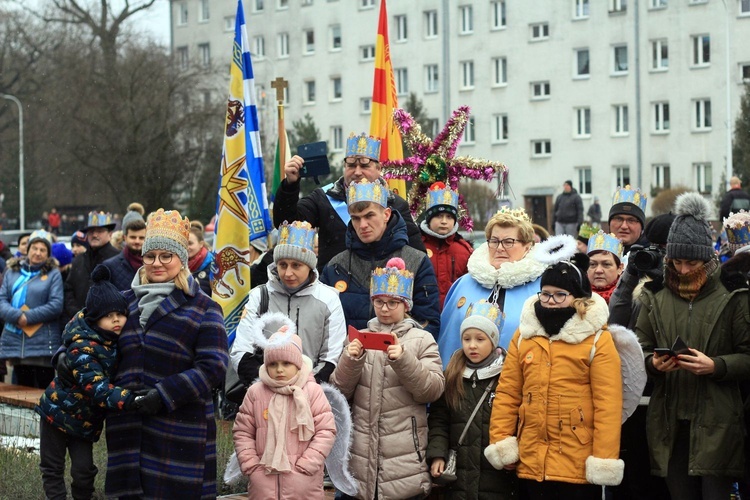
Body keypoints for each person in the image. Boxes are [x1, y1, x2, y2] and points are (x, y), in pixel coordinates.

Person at [102, 208, 229, 499]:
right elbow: (86, 337)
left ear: (181, 259)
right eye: (150, 256)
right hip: (128, 428)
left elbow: (213, 367)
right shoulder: (120, 303)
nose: (156, 263)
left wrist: (164, 394)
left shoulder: (204, 307)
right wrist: (67, 356)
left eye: (166, 256)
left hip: (179, 431)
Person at [485, 241, 624, 498]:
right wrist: (502, 441)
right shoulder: (525, 335)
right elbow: (507, 393)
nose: (550, 301)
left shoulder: (596, 340)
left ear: (577, 298)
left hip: (577, 461)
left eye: (560, 294)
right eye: (545, 293)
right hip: (531, 459)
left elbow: (608, 405)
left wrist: (603, 459)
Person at [635, 192, 750, 500]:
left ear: (708, 258)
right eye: (676, 262)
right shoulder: (654, 294)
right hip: (669, 423)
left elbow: (748, 355)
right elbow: (639, 348)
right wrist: (652, 364)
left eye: (691, 262)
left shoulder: (733, 293)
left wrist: (717, 366)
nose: (683, 270)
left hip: (719, 423)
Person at [330, 257, 445, 500]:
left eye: (393, 302)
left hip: (404, 463)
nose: (384, 308)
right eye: (379, 302)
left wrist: (404, 360)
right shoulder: (357, 337)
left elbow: (432, 390)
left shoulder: (422, 340)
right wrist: (350, 360)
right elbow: (338, 392)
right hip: (360, 459)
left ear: (406, 306)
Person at [36, 265, 137, 500]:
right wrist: (132, 399)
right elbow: (97, 387)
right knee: (52, 467)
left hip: (84, 421)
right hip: (55, 414)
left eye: (120, 314)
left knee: (84, 470)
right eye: (108, 316)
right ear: (93, 318)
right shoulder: (84, 347)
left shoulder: (111, 341)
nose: (116, 320)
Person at [273, 132, 425, 270]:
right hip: (334, 287)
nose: (357, 172)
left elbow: (417, 255)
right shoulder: (323, 199)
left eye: (365, 165)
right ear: (344, 167)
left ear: (379, 168)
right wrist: (290, 185)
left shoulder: (395, 204)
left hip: (382, 294)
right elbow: (286, 224)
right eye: (351, 165)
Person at [607, 213, 675, 500]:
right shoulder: (639, 281)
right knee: (639, 477)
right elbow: (617, 320)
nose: (659, 256)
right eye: (655, 248)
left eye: (665, 249)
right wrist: (632, 274)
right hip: (639, 396)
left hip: (674, 393)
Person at [231, 220, 346, 387]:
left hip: (310, 393)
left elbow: (332, 357)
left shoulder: (329, 299)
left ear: (309, 265)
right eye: (282, 265)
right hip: (264, 390)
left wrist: (305, 385)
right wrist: (270, 383)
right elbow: (241, 351)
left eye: (296, 265)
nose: (288, 273)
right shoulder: (259, 296)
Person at [320, 178, 440, 338]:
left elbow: (427, 325)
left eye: (369, 216)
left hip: (399, 359)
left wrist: (397, 356)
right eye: (355, 218)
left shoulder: (417, 262)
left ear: (386, 214)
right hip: (349, 359)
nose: (362, 225)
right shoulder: (335, 266)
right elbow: (323, 324)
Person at [427, 300, 518, 498]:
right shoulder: (451, 375)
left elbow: (519, 420)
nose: (472, 345)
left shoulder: (508, 376)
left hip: (497, 478)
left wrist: (513, 453)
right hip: (458, 476)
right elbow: (439, 420)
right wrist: (437, 454)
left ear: (493, 341)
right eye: (466, 339)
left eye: (480, 339)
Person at [233, 328, 336, 500]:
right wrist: (251, 466)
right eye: (273, 364)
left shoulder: (312, 391)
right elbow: (242, 432)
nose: (279, 370)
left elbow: (326, 431)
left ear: (297, 364)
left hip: (304, 483)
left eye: (286, 363)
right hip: (263, 483)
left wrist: (308, 464)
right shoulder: (255, 392)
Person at [437, 207, 546, 366]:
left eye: (509, 242)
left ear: (527, 247)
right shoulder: (463, 284)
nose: (500, 248)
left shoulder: (542, 288)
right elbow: (448, 340)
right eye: (494, 241)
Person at [0, 230, 63, 388]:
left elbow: (56, 304)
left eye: (43, 250)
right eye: (34, 248)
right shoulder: (12, 272)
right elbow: (2, 300)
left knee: (43, 393)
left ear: (48, 254)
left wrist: (27, 317)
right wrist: (17, 316)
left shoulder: (53, 274)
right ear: (27, 250)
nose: (38, 253)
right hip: (17, 342)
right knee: (20, 392)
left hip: (42, 343)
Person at [419, 182, 473, 309]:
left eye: (449, 217)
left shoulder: (464, 251)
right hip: (423, 316)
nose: (444, 221)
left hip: (455, 314)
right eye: (438, 216)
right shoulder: (417, 247)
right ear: (429, 218)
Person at [63, 212, 120, 320]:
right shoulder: (78, 260)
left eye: (99, 231)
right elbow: (68, 289)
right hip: (79, 321)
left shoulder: (118, 259)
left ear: (110, 234)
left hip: (108, 321)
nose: (94, 235)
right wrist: (76, 313)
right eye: (91, 231)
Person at [102, 216, 146, 292]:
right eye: (133, 237)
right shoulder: (110, 266)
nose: (137, 241)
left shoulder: (153, 264)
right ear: (125, 238)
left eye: (141, 238)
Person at [608, 185, 649, 254]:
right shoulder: (597, 256)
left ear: (641, 227)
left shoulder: (651, 258)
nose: (624, 226)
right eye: (619, 219)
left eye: (631, 220)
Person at [586, 230, 623, 304]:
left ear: (619, 268)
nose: (598, 270)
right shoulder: (574, 296)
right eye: (593, 264)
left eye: (606, 264)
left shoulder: (628, 298)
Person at [187, 221, 214, 295]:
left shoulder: (214, 266)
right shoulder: (177, 266)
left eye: (190, 243)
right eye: (183, 243)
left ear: (201, 244)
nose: (186, 247)